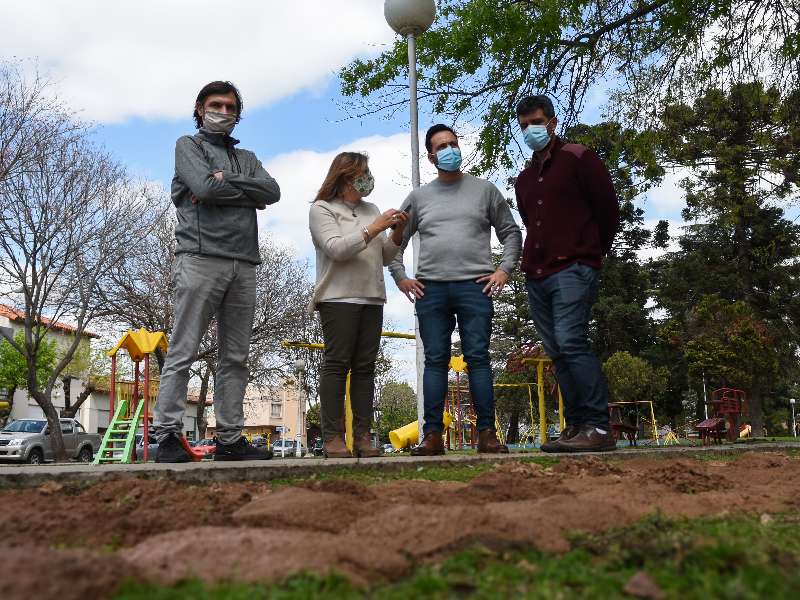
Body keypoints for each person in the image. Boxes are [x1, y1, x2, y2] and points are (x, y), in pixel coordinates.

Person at [154, 81, 281, 462]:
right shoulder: (187, 146)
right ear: (199, 108)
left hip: (244, 262)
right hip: (199, 256)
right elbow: (205, 190)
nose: (223, 112)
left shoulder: (248, 156)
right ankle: (168, 437)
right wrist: (244, 193)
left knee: (236, 357)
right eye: (215, 105)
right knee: (183, 348)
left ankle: (229, 439)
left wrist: (228, 181)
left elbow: (272, 192)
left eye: (230, 107)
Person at [390, 125, 522, 456]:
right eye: (442, 146)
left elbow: (510, 232)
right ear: (431, 156)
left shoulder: (485, 190)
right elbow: (395, 242)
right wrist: (400, 276)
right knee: (435, 360)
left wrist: (504, 269)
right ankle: (432, 436)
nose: (450, 149)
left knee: (478, 358)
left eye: (453, 143)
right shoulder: (419, 198)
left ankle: (487, 434)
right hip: (431, 289)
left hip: (475, 287)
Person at [514, 95, 619, 453]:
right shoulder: (524, 180)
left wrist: (589, 251)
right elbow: (532, 223)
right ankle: (575, 427)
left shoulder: (579, 158)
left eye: (537, 122)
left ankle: (598, 428)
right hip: (537, 273)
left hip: (574, 267)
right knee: (556, 350)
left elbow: (607, 210)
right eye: (524, 125)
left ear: (553, 123)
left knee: (572, 341)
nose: (531, 130)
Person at [309, 152, 408, 458]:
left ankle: (363, 437)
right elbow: (337, 249)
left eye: (368, 173)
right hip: (338, 297)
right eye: (361, 174)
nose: (367, 179)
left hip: (371, 297)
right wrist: (375, 227)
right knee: (337, 365)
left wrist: (398, 233)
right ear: (343, 177)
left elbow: (384, 257)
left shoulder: (372, 209)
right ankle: (332, 437)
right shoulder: (322, 209)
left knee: (365, 369)